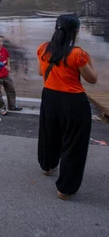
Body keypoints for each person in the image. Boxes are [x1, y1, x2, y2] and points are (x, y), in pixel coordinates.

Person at [37, 14, 98, 200]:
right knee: (74, 144)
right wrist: (89, 60)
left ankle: (47, 167)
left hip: (49, 96)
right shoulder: (78, 54)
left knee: (49, 133)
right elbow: (92, 79)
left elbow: (41, 71)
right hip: (73, 101)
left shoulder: (43, 48)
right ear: (76, 31)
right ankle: (65, 189)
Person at [0, 34, 22, 115]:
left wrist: (9, 66)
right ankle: (1, 108)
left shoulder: (4, 50)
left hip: (6, 76)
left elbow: (7, 57)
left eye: (1, 41)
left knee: (11, 91)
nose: (1, 43)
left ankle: (12, 106)